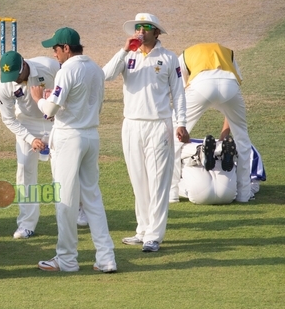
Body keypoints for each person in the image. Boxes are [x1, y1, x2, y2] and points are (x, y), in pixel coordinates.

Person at [30, 27, 117, 273]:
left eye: (56, 49)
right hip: (91, 135)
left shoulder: (67, 70)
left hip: (70, 139)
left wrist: (39, 98)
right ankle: (106, 257)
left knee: (65, 200)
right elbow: (89, 104)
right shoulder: (95, 69)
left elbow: (49, 111)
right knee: (92, 199)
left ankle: (67, 258)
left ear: (66, 48)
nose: (54, 54)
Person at [102, 13, 188, 253]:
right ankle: (142, 230)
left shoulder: (169, 58)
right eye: (138, 27)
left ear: (156, 32)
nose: (140, 31)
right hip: (131, 124)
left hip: (159, 124)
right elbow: (105, 75)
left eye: (146, 27)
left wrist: (181, 123)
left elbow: (179, 93)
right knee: (138, 179)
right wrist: (123, 50)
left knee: (158, 181)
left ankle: (154, 236)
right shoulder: (127, 55)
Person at [170, 42, 253, 203]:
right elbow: (234, 87)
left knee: (173, 139)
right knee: (243, 139)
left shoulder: (184, 56)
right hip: (230, 86)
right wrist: (224, 135)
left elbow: (179, 94)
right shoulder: (228, 52)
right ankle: (244, 195)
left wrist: (181, 125)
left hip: (201, 85)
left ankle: (171, 194)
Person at [0, 51, 59, 239]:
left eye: (16, 75)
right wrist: (30, 138)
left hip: (54, 120)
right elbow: (8, 119)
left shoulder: (48, 67)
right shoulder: (5, 85)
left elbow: (69, 89)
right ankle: (27, 224)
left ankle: (78, 211)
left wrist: (60, 111)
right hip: (26, 123)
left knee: (64, 168)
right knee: (24, 170)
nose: (13, 80)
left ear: (23, 65)